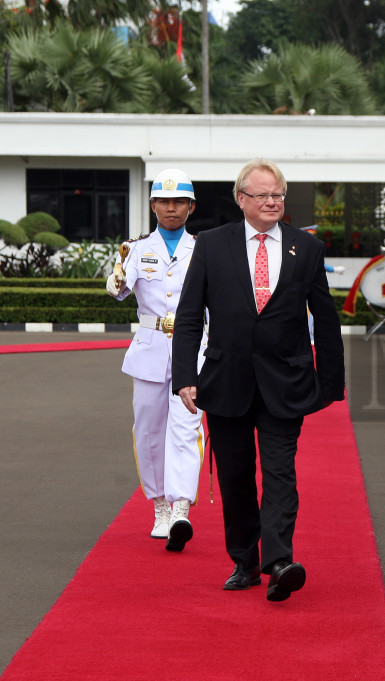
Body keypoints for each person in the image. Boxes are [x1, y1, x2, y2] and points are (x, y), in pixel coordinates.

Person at [172, 158, 346, 602]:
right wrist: (185, 376)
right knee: (235, 476)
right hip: (225, 381)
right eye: (263, 195)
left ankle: (279, 561)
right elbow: (189, 316)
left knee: (280, 472)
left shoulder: (306, 249)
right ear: (241, 199)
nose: (272, 202)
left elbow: (324, 320)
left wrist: (330, 383)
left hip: (285, 382)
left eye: (278, 195)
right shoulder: (211, 245)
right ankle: (245, 561)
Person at [106, 168, 205, 552]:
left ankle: (181, 507)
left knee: (186, 426)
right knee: (148, 430)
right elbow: (117, 290)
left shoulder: (203, 249)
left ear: (191, 206)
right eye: (163, 201)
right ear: (152, 205)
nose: (171, 208)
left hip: (191, 346)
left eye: (179, 201)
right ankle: (160, 506)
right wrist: (115, 277)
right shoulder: (137, 249)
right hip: (149, 347)